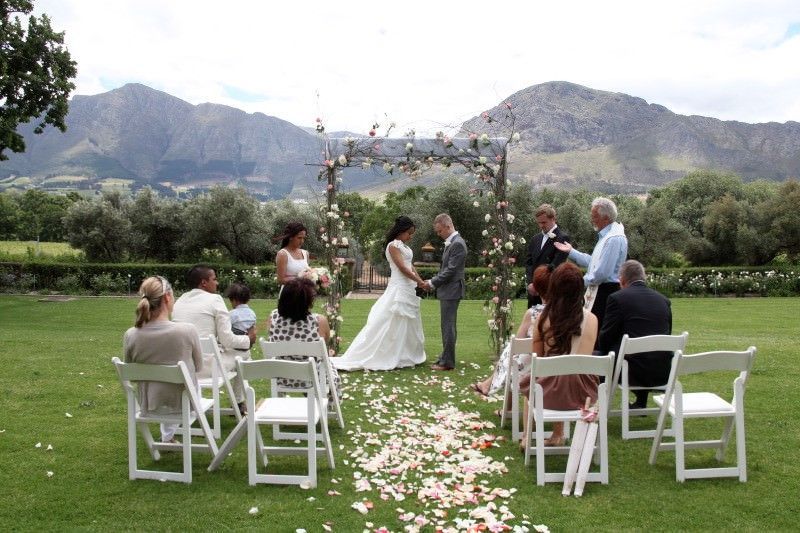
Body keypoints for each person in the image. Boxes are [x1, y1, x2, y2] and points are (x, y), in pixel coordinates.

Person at [520, 262, 600, 447]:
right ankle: (558, 434)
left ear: (553, 288)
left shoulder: (544, 319)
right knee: (565, 377)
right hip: (585, 395)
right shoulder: (592, 320)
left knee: (533, 383)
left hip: (549, 395)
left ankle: (526, 437)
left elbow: (537, 359)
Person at [333, 216, 427, 371]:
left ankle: (405, 353)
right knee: (390, 319)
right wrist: (419, 281)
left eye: (412, 234)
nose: (410, 236)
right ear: (401, 231)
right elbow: (403, 268)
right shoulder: (392, 246)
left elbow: (410, 266)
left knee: (406, 321)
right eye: (409, 233)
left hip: (408, 288)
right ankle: (386, 354)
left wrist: (419, 280)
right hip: (398, 288)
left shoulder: (405, 246)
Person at [123, 276, 203, 443]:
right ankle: (169, 436)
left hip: (149, 405)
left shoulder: (131, 335)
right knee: (184, 384)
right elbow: (198, 366)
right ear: (167, 297)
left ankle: (168, 437)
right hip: (185, 406)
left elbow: (131, 374)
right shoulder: (187, 331)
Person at [172, 265, 255, 414]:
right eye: (214, 279)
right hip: (206, 367)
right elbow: (227, 340)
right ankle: (238, 402)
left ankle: (236, 402)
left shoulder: (179, 301)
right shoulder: (215, 300)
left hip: (183, 366)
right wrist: (248, 339)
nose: (217, 283)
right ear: (204, 282)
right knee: (244, 354)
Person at [598, 260, 673, 408]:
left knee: (598, 357)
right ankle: (640, 402)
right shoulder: (664, 300)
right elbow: (666, 333)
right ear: (643, 277)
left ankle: (597, 407)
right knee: (642, 348)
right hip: (663, 370)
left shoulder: (617, 298)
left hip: (630, 372)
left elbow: (606, 337)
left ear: (622, 279)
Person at [470, 264, 554, 398]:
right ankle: (489, 384)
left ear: (537, 289)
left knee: (512, 349)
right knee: (515, 353)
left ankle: (491, 386)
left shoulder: (533, 314)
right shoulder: (566, 315)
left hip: (530, 371)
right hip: (556, 368)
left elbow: (516, 344)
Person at [554, 197, 627, 340]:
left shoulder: (613, 238)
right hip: (600, 290)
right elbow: (594, 262)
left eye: (594, 216)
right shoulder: (606, 236)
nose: (592, 220)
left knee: (597, 332)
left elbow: (601, 273)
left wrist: (578, 282)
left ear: (605, 217)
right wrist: (571, 251)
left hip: (606, 292)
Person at [267, 278, 341, 400]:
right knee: (325, 364)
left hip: (283, 376)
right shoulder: (319, 321)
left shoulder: (273, 317)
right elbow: (324, 346)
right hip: (312, 377)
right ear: (308, 302)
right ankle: (321, 406)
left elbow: (271, 336)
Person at [423, 213, 467, 371]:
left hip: (452, 290)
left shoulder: (458, 244)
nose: (438, 234)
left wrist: (432, 283)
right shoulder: (453, 243)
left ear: (448, 226)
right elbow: (447, 269)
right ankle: (445, 357)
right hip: (449, 290)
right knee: (447, 326)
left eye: (440, 231)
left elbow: (450, 271)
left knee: (448, 326)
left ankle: (448, 362)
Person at [525, 204, 570, 308]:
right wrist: (531, 283)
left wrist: (540, 285)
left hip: (551, 291)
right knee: (533, 322)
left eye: (544, 222)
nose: (541, 225)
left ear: (553, 219)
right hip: (534, 292)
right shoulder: (535, 239)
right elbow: (529, 263)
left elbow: (556, 264)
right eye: (539, 223)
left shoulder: (562, 238)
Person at [275, 222, 310, 286]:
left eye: (303, 238)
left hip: (305, 292)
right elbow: (280, 280)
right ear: (290, 237)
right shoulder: (283, 254)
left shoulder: (305, 253)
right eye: (299, 238)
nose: (302, 241)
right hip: (289, 292)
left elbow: (308, 273)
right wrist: (301, 280)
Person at [225, 282, 257, 352]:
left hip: (235, 346)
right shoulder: (252, 313)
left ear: (234, 300)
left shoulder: (231, 314)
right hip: (248, 345)